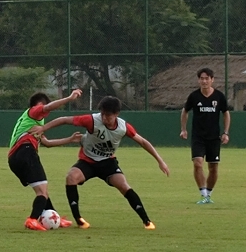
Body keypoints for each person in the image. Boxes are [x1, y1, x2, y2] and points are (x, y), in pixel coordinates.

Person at [31, 96, 169, 230]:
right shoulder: (92, 120)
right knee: (71, 177)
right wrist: (43, 128)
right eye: (102, 114)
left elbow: (143, 142)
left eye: (108, 115)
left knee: (123, 185)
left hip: (108, 163)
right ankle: (79, 219)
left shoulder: (123, 127)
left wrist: (160, 161)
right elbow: (64, 120)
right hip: (87, 162)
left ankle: (147, 221)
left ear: (116, 114)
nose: (104, 118)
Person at [8, 88, 83, 231]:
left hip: (14, 158)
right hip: (25, 151)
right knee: (42, 192)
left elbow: (47, 143)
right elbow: (48, 107)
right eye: (43, 106)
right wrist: (69, 98)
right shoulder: (33, 112)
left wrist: (70, 139)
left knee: (43, 191)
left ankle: (55, 218)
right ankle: (32, 220)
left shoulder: (32, 122)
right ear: (37, 105)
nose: (45, 110)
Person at [180, 67, 230, 204]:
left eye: (207, 78)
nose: (204, 81)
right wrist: (183, 129)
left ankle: (208, 194)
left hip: (214, 138)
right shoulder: (194, 96)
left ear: (212, 80)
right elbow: (185, 111)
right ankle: (203, 194)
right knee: (197, 163)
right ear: (198, 80)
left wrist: (225, 132)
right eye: (202, 78)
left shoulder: (219, 96)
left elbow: (226, 113)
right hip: (198, 137)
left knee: (213, 167)